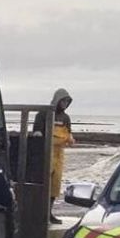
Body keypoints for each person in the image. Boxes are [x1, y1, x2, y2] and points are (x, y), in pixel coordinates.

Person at [33, 88, 75, 224]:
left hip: (59, 154)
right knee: (44, 183)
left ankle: (49, 213)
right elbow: (36, 132)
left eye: (67, 102)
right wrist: (39, 135)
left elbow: (69, 133)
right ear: (57, 100)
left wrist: (70, 139)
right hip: (45, 153)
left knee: (55, 186)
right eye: (63, 101)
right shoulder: (43, 114)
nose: (65, 104)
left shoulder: (66, 118)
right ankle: (38, 213)